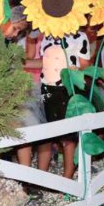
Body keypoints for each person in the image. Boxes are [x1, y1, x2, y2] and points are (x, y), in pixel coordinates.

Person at [39, 31, 91, 180]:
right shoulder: (48, 34)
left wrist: (76, 69)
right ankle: (40, 178)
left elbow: (86, 64)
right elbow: (44, 61)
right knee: (47, 131)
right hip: (47, 88)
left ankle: (67, 177)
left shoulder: (79, 36)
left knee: (68, 137)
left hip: (66, 89)